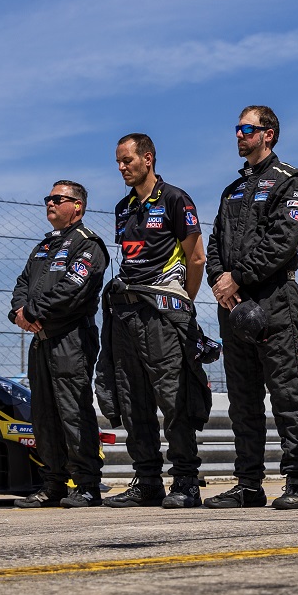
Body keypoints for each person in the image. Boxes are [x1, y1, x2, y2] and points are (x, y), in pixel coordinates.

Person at [204, 106, 298, 509]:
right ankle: (248, 483)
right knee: (242, 399)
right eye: (237, 128)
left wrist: (239, 276)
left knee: (286, 393)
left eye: (247, 128)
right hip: (232, 304)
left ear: (268, 134)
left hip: (274, 299)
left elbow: (284, 241)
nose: (239, 134)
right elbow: (214, 242)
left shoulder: (292, 183)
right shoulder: (232, 189)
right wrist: (220, 282)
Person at [96, 134, 212, 508]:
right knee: (133, 401)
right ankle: (147, 481)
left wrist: (183, 303)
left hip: (164, 311)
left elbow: (196, 258)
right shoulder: (123, 207)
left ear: (148, 158)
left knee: (173, 397)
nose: (121, 167)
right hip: (126, 313)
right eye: (117, 161)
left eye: (127, 159)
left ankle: (186, 482)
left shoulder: (176, 198)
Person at [10, 181, 108, 508]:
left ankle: (87, 485)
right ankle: (53, 484)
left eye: (57, 198)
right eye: (48, 199)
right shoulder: (43, 246)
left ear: (77, 206)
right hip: (40, 341)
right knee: (44, 414)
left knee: (72, 411)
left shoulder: (88, 245)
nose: (49, 203)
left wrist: (33, 311)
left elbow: (73, 290)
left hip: (71, 340)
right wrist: (18, 313)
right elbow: (22, 284)